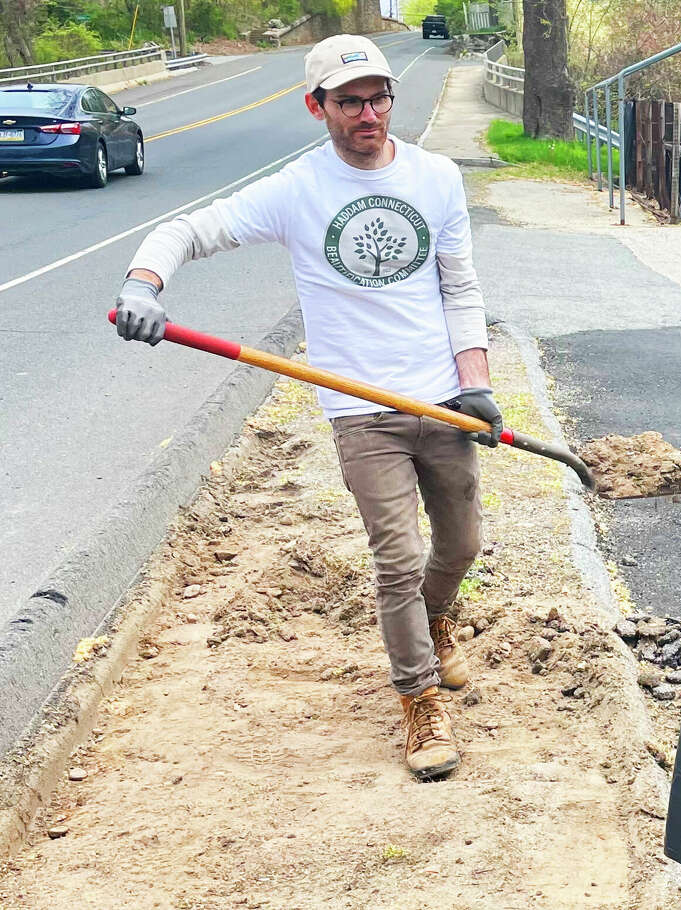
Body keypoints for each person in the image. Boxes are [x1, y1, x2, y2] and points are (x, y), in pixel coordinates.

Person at [112, 33, 501, 780]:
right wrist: (143, 285)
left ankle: (437, 619)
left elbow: (460, 286)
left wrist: (475, 377)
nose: (368, 113)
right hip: (359, 409)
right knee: (396, 560)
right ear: (316, 106)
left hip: (442, 397)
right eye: (349, 101)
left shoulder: (437, 177)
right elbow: (186, 229)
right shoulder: (296, 190)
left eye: (378, 97)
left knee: (460, 547)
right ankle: (419, 702)